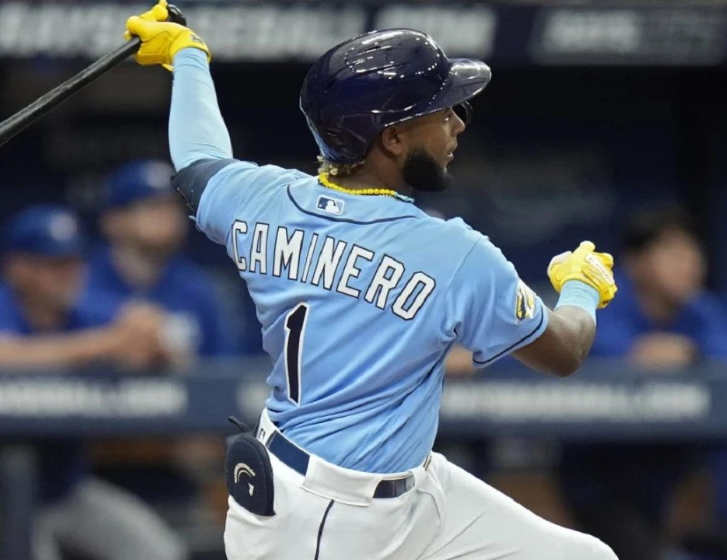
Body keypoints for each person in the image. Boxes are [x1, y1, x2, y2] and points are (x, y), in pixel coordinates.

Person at [123, 3, 620, 558]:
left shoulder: (262, 200)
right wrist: (582, 286)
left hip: (414, 488)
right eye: (441, 111)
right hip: (321, 522)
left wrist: (189, 60)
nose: (457, 123)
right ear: (394, 138)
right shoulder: (454, 254)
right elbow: (565, 351)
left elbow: (198, 160)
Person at [0, 204, 187, 560]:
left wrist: (149, 336)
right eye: (54, 264)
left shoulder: (82, 309)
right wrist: (106, 343)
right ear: (18, 268)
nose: (69, 274)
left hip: (63, 492)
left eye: (74, 262)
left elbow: (152, 329)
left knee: (157, 551)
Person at [557, 207, 727, 560]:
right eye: (673, 253)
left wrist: (689, 352)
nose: (688, 264)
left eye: (692, 253)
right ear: (637, 263)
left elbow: (721, 359)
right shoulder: (601, 300)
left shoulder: (701, 309)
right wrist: (645, 354)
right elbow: (605, 351)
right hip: (602, 478)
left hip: (675, 475)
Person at [89, 158, 235, 368]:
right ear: (113, 220)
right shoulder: (79, 283)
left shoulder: (198, 290)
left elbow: (226, 371)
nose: (168, 216)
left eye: (173, 206)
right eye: (152, 206)